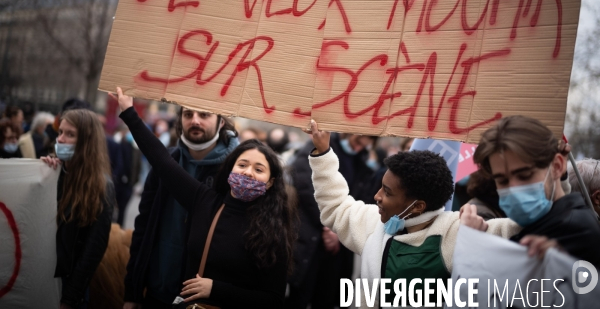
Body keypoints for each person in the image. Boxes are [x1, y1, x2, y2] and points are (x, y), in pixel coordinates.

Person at [112, 87, 296, 309]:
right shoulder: (205, 201)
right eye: (242, 165)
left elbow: (273, 299)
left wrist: (215, 289)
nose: (248, 173)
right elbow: (161, 161)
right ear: (229, 171)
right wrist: (129, 113)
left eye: (259, 169)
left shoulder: (274, 230)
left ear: (270, 182)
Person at [306, 120, 519, 308]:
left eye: (387, 192)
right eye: (382, 187)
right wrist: (323, 152)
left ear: (418, 206)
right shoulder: (374, 224)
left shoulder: (459, 231)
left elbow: (525, 233)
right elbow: (335, 206)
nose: (377, 196)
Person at [123, 101, 240, 309]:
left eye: (204, 114)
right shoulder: (167, 160)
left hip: (199, 301)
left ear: (221, 122)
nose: (194, 120)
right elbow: (143, 228)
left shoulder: (233, 171)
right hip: (155, 291)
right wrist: (132, 291)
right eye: (188, 114)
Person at [471, 115, 600, 266]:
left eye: (525, 175)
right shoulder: (541, 226)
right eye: (502, 180)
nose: (513, 189)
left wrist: (472, 244)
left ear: (557, 167)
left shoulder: (574, 233)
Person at [286, 132, 378, 308]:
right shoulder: (320, 144)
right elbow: (305, 184)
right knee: (300, 294)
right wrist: (330, 224)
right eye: (357, 142)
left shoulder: (363, 162)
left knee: (327, 294)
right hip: (311, 232)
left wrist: (340, 228)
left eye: (363, 145)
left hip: (338, 241)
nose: (358, 148)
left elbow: (362, 197)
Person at [41, 109, 115, 309]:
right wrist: (40, 176)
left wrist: (69, 298)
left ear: (87, 142)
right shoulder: (53, 173)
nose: (61, 139)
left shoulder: (101, 187)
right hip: (40, 281)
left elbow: (93, 250)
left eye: (70, 134)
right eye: (60, 133)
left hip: (69, 290)